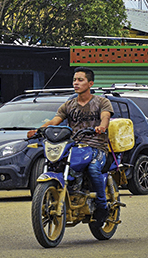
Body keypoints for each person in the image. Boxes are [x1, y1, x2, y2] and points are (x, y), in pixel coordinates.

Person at [27, 67, 113, 224]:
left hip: (96, 146)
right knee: (57, 164)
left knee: (93, 169)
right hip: (74, 145)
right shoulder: (69, 105)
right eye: (74, 80)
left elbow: (105, 117)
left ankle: (102, 207)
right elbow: (55, 121)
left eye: (80, 80)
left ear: (90, 83)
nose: (76, 83)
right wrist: (39, 130)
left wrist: (102, 126)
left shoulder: (102, 102)